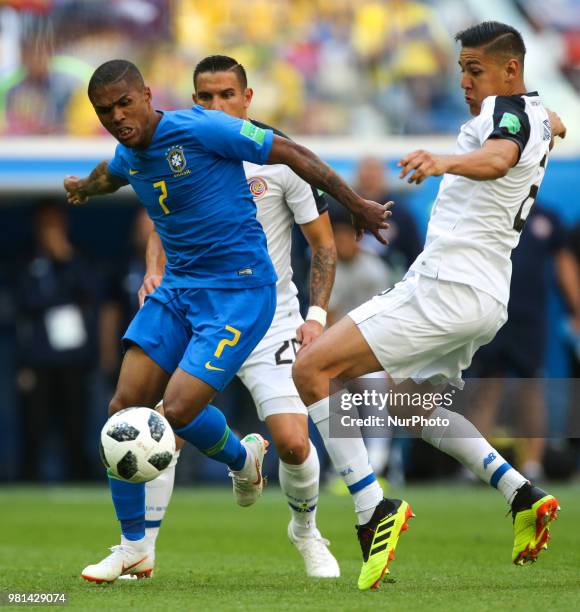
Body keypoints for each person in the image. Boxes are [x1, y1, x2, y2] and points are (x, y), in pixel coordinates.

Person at [63, 59, 389, 584]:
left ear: (148, 95)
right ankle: (134, 548)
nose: (117, 116)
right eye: (105, 111)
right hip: (180, 292)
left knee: (186, 410)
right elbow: (113, 174)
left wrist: (357, 206)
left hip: (242, 293)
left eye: (126, 103)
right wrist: (84, 185)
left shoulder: (203, 129)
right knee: (124, 408)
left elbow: (296, 154)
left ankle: (268, 483)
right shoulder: (132, 152)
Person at [292, 21, 567, 590]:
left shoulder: (505, 115)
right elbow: (546, 126)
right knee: (408, 408)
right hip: (487, 297)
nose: (464, 81)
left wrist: (442, 161)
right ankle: (522, 495)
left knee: (311, 369)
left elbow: (497, 158)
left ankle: (371, 512)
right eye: (462, 69)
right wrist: (550, 125)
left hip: (447, 286)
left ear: (510, 70)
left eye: (476, 70)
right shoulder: (537, 112)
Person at [137, 54, 340, 578]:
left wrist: (316, 315)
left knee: (295, 444)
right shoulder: (183, 151)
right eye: (204, 97)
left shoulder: (279, 158)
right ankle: (143, 551)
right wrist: (153, 270)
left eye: (226, 95)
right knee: (163, 429)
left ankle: (306, 531)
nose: (215, 105)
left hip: (271, 317)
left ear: (247, 99)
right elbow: (159, 218)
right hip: (208, 312)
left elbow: (323, 245)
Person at [468, 203, 578, 480]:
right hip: (490, 312)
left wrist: (577, 308)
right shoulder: (489, 210)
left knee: (531, 388)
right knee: (486, 388)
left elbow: (564, 264)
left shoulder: (547, 217)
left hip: (529, 318)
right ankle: (479, 465)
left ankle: (532, 464)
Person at [15, 199, 99, 481]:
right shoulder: (26, 258)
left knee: (76, 425)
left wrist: (66, 258)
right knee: (34, 427)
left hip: (74, 360)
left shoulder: (77, 255)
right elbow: (24, 302)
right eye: (46, 224)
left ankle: (80, 480)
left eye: (56, 224)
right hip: (38, 359)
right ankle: (29, 481)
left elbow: (90, 291)